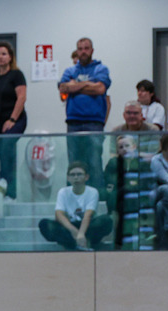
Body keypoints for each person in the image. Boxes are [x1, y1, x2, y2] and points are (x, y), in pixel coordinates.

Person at [59, 37, 110, 189]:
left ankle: (98, 200)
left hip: (94, 123)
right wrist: (89, 84)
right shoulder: (70, 71)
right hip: (73, 123)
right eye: (80, 49)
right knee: (74, 163)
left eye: (86, 48)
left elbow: (100, 89)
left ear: (92, 50)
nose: (83, 51)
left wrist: (75, 86)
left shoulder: (101, 69)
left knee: (94, 162)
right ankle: (73, 200)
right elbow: (63, 88)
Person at [0, 41, 26, 201]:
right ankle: (8, 190)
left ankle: (7, 185)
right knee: (2, 154)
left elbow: (21, 97)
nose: (0, 57)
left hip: (15, 119)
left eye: (3, 54)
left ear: (10, 57)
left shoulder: (16, 75)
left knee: (7, 148)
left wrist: (12, 119)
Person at [38, 160, 113, 250]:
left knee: (106, 220)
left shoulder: (93, 192)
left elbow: (88, 215)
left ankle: (77, 242)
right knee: (44, 224)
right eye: (72, 175)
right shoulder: (63, 192)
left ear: (86, 177)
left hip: (87, 226)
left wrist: (81, 233)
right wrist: (74, 231)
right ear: (68, 178)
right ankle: (79, 242)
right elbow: (59, 214)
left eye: (79, 174)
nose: (76, 177)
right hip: (70, 226)